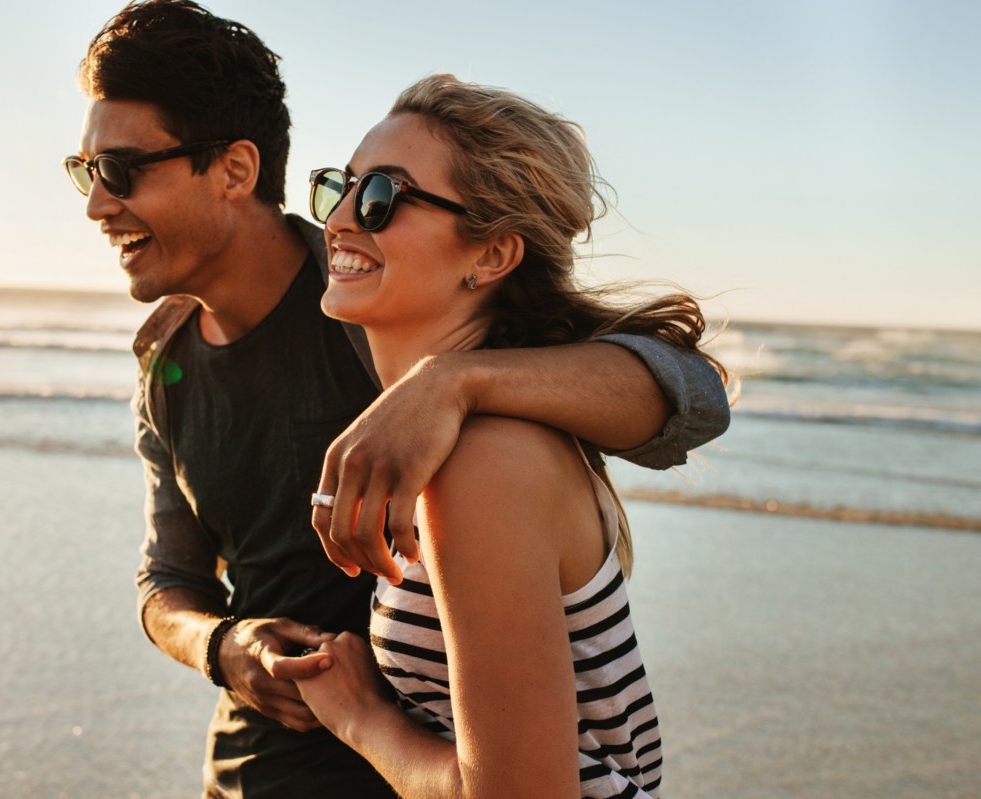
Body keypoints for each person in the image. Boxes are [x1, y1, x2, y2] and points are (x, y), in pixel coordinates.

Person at [64, 2, 729, 796]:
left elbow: (694, 395)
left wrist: (451, 383)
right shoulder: (165, 361)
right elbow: (168, 576)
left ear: (235, 170)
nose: (97, 203)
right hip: (253, 771)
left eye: (120, 170)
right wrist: (224, 646)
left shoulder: (379, 309)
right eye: (85, 172)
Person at [295, 75, 722, 798]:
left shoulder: (483, 460)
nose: (340, 218)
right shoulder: (466, 436)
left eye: (381, 197)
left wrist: (359, 715)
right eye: (339, 187)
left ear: (490, 256)